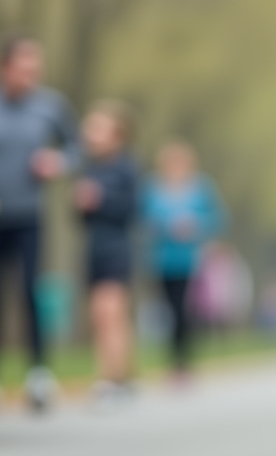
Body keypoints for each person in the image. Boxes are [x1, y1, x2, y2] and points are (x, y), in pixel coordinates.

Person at [0, 36, 80, 411]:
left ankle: (39, 374)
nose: (31, 77)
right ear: (3, 68)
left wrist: (58, 162)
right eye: (25, 69)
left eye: (36, 70)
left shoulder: (51, 107)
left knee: (30, 293)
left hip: (30, 215)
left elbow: (75, 147)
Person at [74, 100, 140, 402]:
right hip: (94, 249)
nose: (91, 135)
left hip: (117, 248)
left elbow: (132, 209)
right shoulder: (92, 169)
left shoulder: (126, 168)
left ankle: (114, 379)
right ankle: (118, 376)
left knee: (110, 313)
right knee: (100, 316)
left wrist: (101, 200)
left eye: (98, 129)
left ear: (117, 134)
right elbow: (81, 217)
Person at [142, 140, 225, 381]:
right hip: (161, 259)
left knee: (184, 310)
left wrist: (195, 225)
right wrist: (166, 226)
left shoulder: (201, 186)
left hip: (192, 260)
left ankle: (183, 361)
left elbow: (218, 218)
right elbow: (144, 219)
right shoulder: (153, 188)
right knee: (168, 311)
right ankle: (173, 359)